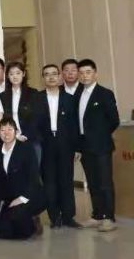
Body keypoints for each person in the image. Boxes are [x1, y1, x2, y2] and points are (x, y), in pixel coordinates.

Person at [76, 59, 119, 231]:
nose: (84, 76)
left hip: (101, 146)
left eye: (88, 72)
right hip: (84, 146)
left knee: (105, 182)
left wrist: (99, 135)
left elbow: (114, 120)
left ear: (95, 73)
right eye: (81, 73)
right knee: (92, 182)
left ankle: (109, 218)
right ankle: (97, 215)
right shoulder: (78, 94)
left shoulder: (104, 94)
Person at [37, 64, 81, 228]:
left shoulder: (69, 99)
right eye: (47, 74)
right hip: (45, 143)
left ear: (59, 76)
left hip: (65, 143)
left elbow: (74, 125)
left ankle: (69, 216)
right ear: (43, 78)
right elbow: (34, 123)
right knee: (49, 182)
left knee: (66, 180)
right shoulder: (37, 98)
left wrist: (77, 147)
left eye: (54, 74)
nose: (51, 77)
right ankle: (54, 217)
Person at [0, 117, 46, 240]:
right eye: (2, 130)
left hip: (30, 195)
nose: (6, 133)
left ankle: (33, 222)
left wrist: (21, 199)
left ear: (16, 132)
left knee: (20, 228)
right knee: (4, 232)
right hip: (10, 197)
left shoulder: (26, 149)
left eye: (10, 129)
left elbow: (33, 177)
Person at [0, 62, 42, 165]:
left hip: (30, 139)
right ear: (7, 76)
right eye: (11, 74)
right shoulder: (3, 96)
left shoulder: (33, 93)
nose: (15, 76)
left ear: (23, 74)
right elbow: (2, 119)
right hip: (10, 139)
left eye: (18, 73)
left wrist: (25, 135)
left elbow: (36, 118)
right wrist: (13, 135)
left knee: (32, 170)